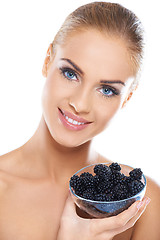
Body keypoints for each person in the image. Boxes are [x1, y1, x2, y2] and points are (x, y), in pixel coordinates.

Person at [0, 1, 159, 239]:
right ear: (48, 61)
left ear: (126, 99)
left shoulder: (142, 204)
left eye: (107, 90)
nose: (80, 104)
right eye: (70, 73)